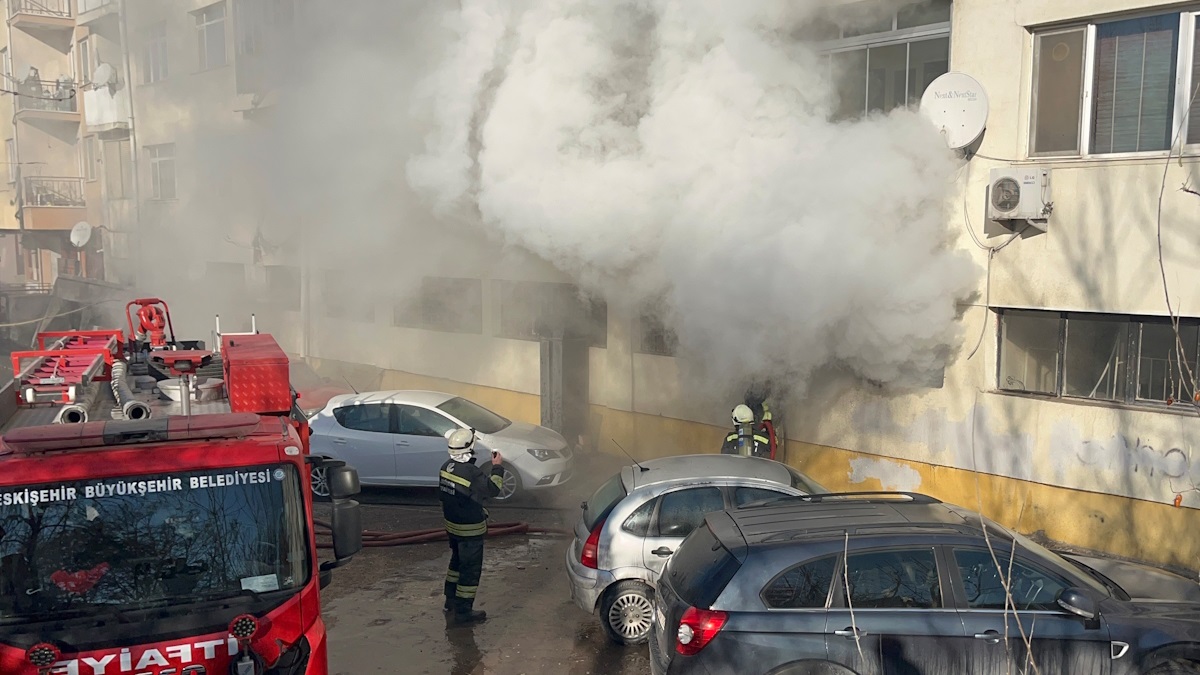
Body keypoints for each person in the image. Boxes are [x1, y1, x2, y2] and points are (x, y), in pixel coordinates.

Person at [440, 428, 504, 625]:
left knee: (456, 564)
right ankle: (463, 612)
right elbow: (493, 489)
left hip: (453, 527)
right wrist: (497, 468)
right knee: (470, 570)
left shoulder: (446, 466)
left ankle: (450, 599)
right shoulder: (472, 473)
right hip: (470, 531)